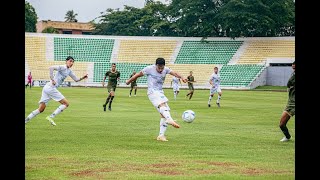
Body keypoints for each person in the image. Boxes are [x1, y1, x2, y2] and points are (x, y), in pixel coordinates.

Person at [126, 57, 187, 142]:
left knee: (163, 113)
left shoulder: (165, 69)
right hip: (152, 92)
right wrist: (129, 81)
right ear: (156, 65)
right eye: (159, 68)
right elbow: (137, 75)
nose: (160, 70)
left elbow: (175, 73)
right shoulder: (149, 69)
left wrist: (182, 77)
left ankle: (161, 135)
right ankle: (169, 119)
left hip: (160, 92)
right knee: (163, 106)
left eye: (162, 68)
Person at [25, 56, 88, 126]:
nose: (71, 63)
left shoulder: (69, 71)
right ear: (66, 61)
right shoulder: (63, 67)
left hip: (47, 88)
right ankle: (51, 117)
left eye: (73, 62)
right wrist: (52, 79)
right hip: (51, 88)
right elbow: (51, 67)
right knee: (66, 104)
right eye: (70, 61)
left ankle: (25, 120)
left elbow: (76, 79)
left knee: (41, 109)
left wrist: (83, 77)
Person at [279, 61, 295, 142]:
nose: (293, 67)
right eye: (293, 67)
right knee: (282, 124)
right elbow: (288, 85)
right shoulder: (293, 75)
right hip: (291, 103)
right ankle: (287, 137)